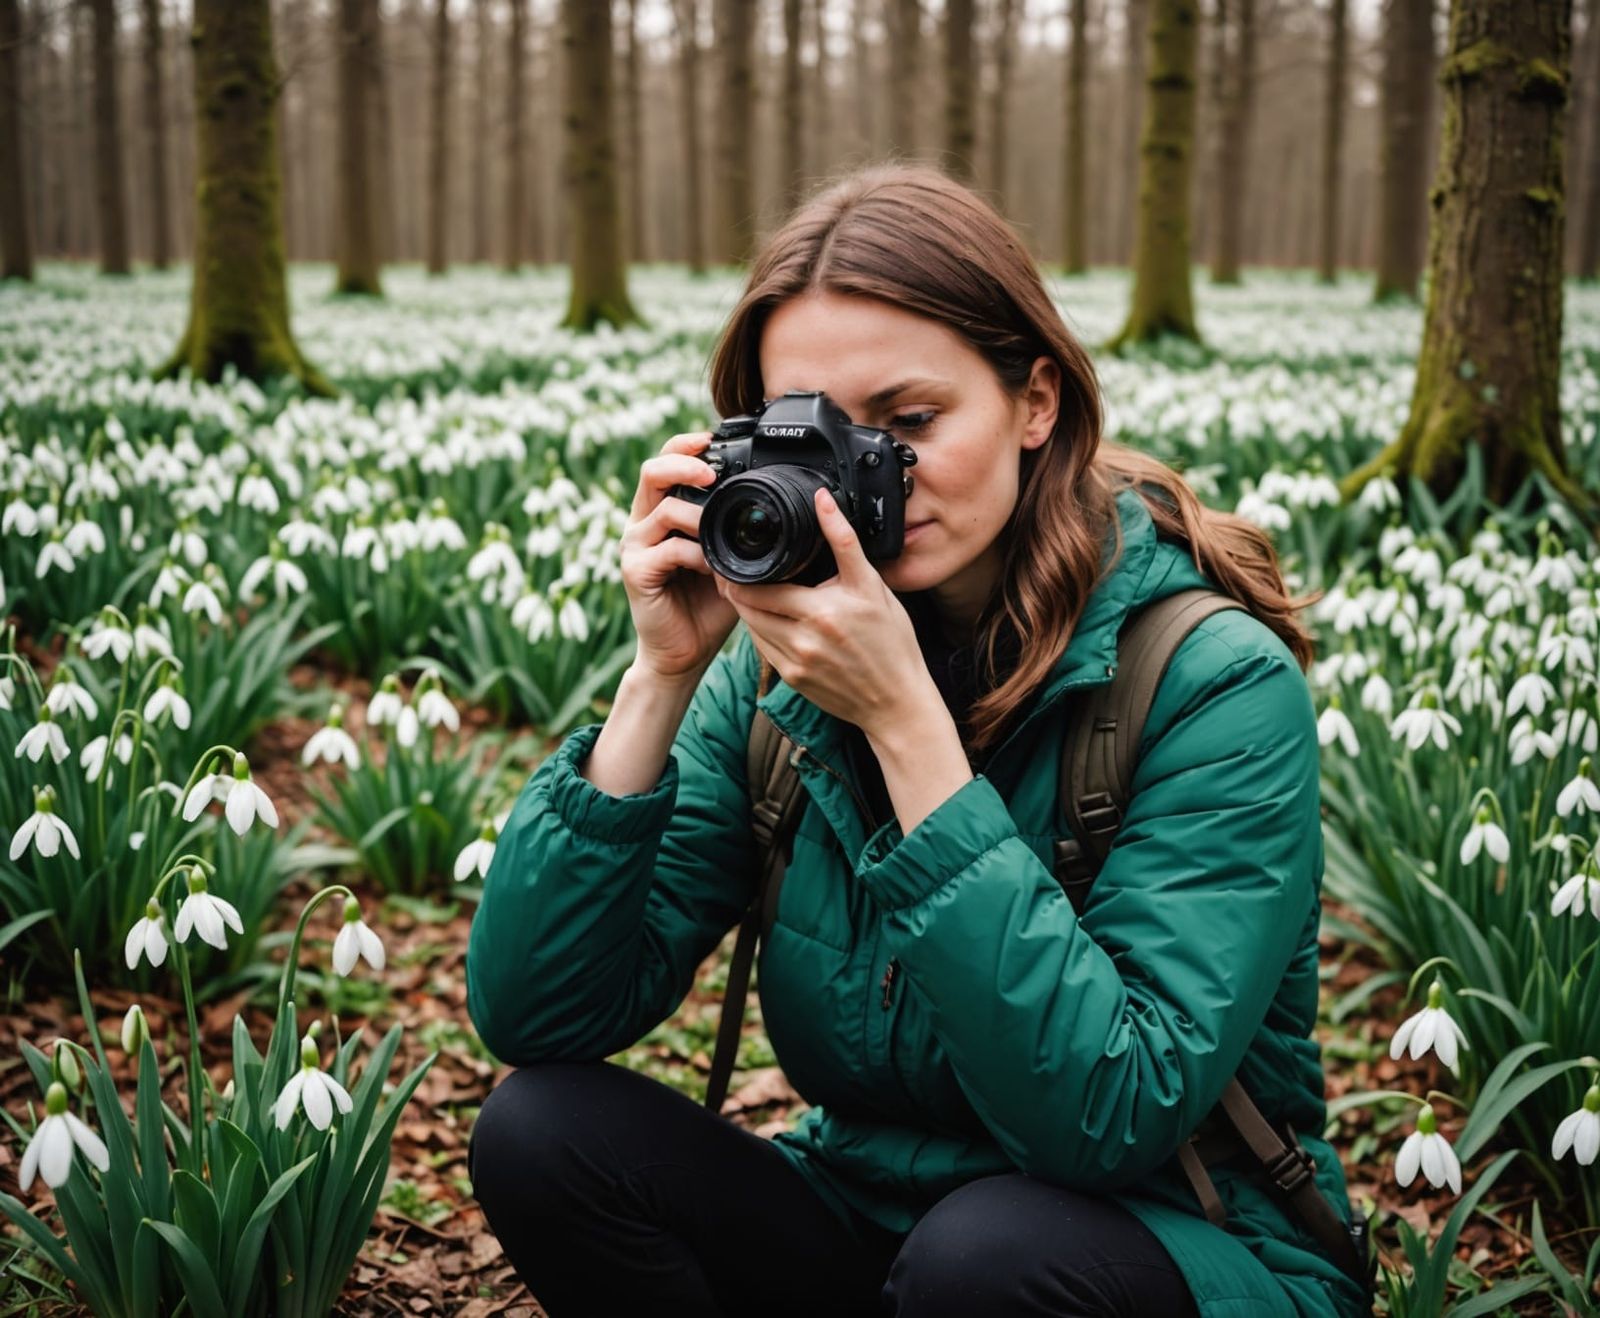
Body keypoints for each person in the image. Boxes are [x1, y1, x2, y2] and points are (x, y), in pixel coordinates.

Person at [464, 163, 1369, 1318]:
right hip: (875, 1221)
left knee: (983, 1257)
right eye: (819, 437)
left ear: (1035, 401)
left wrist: (904, 724)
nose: (863, 476)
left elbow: (1109, 1112)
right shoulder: (776, 673)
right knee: (546, 1131)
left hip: (1166, 1242)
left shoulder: (1208, 679)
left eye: (909, 422)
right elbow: (539, 1016)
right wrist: (663, 673)